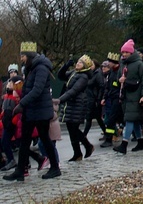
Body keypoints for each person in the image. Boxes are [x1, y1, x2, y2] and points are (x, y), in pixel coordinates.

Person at [4, 42, 61, 181]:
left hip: (40, 110)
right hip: (32, 110)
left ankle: (55, 168)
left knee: (45, 139)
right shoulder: (30, 68)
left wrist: (22, 104)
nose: (21, 59)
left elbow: (37, 90)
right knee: (24, 141)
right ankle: (20, 171)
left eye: (23, 56)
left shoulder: (40, 68)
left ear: (29, 56)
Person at [55, 54, 95, 161]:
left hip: (78, 104)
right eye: (78, 61)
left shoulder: (83, 77)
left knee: (74, 129)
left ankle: (87, 146)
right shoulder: (74, 72)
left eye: (81, 62)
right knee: (71, 129)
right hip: (70, 104)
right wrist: (66, 65)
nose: (78, 63)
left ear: (85, 66)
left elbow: (74, 90)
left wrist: (60, 99)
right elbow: (61, 76)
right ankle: (77, 153)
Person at [113, 39, 143, 155]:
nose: (124, 54)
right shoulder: (123, 64)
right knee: (136, 121)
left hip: (136, 96)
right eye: (122, 52)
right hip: (126, 96)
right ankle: (140, 143)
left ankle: (124, 145)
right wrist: (119, 81)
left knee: (129, 119)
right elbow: (118, 79)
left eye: (126, 52)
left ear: (131, 52)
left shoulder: (139, 64)